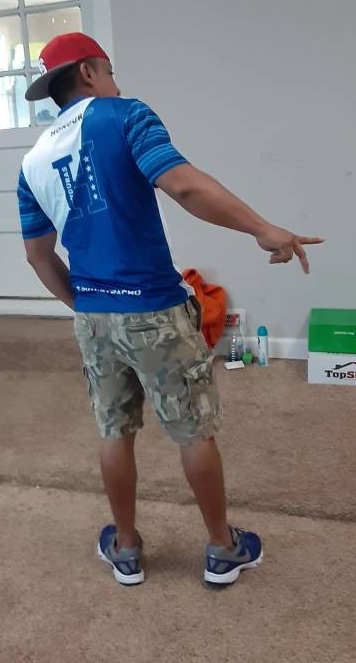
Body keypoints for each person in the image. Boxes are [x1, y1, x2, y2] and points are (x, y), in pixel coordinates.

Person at [17, 33, 324, 587]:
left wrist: (88, 307)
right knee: (192, 431)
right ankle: (222, 548)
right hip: (154, 308)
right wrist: (262, 228)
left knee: (114, 430)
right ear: (88, 72)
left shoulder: (32, 161)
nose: (116, 83)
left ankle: (126, 548)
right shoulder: (124, 115)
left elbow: (39, 255)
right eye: (110, 71)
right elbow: (182, 185)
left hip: (93, 317)